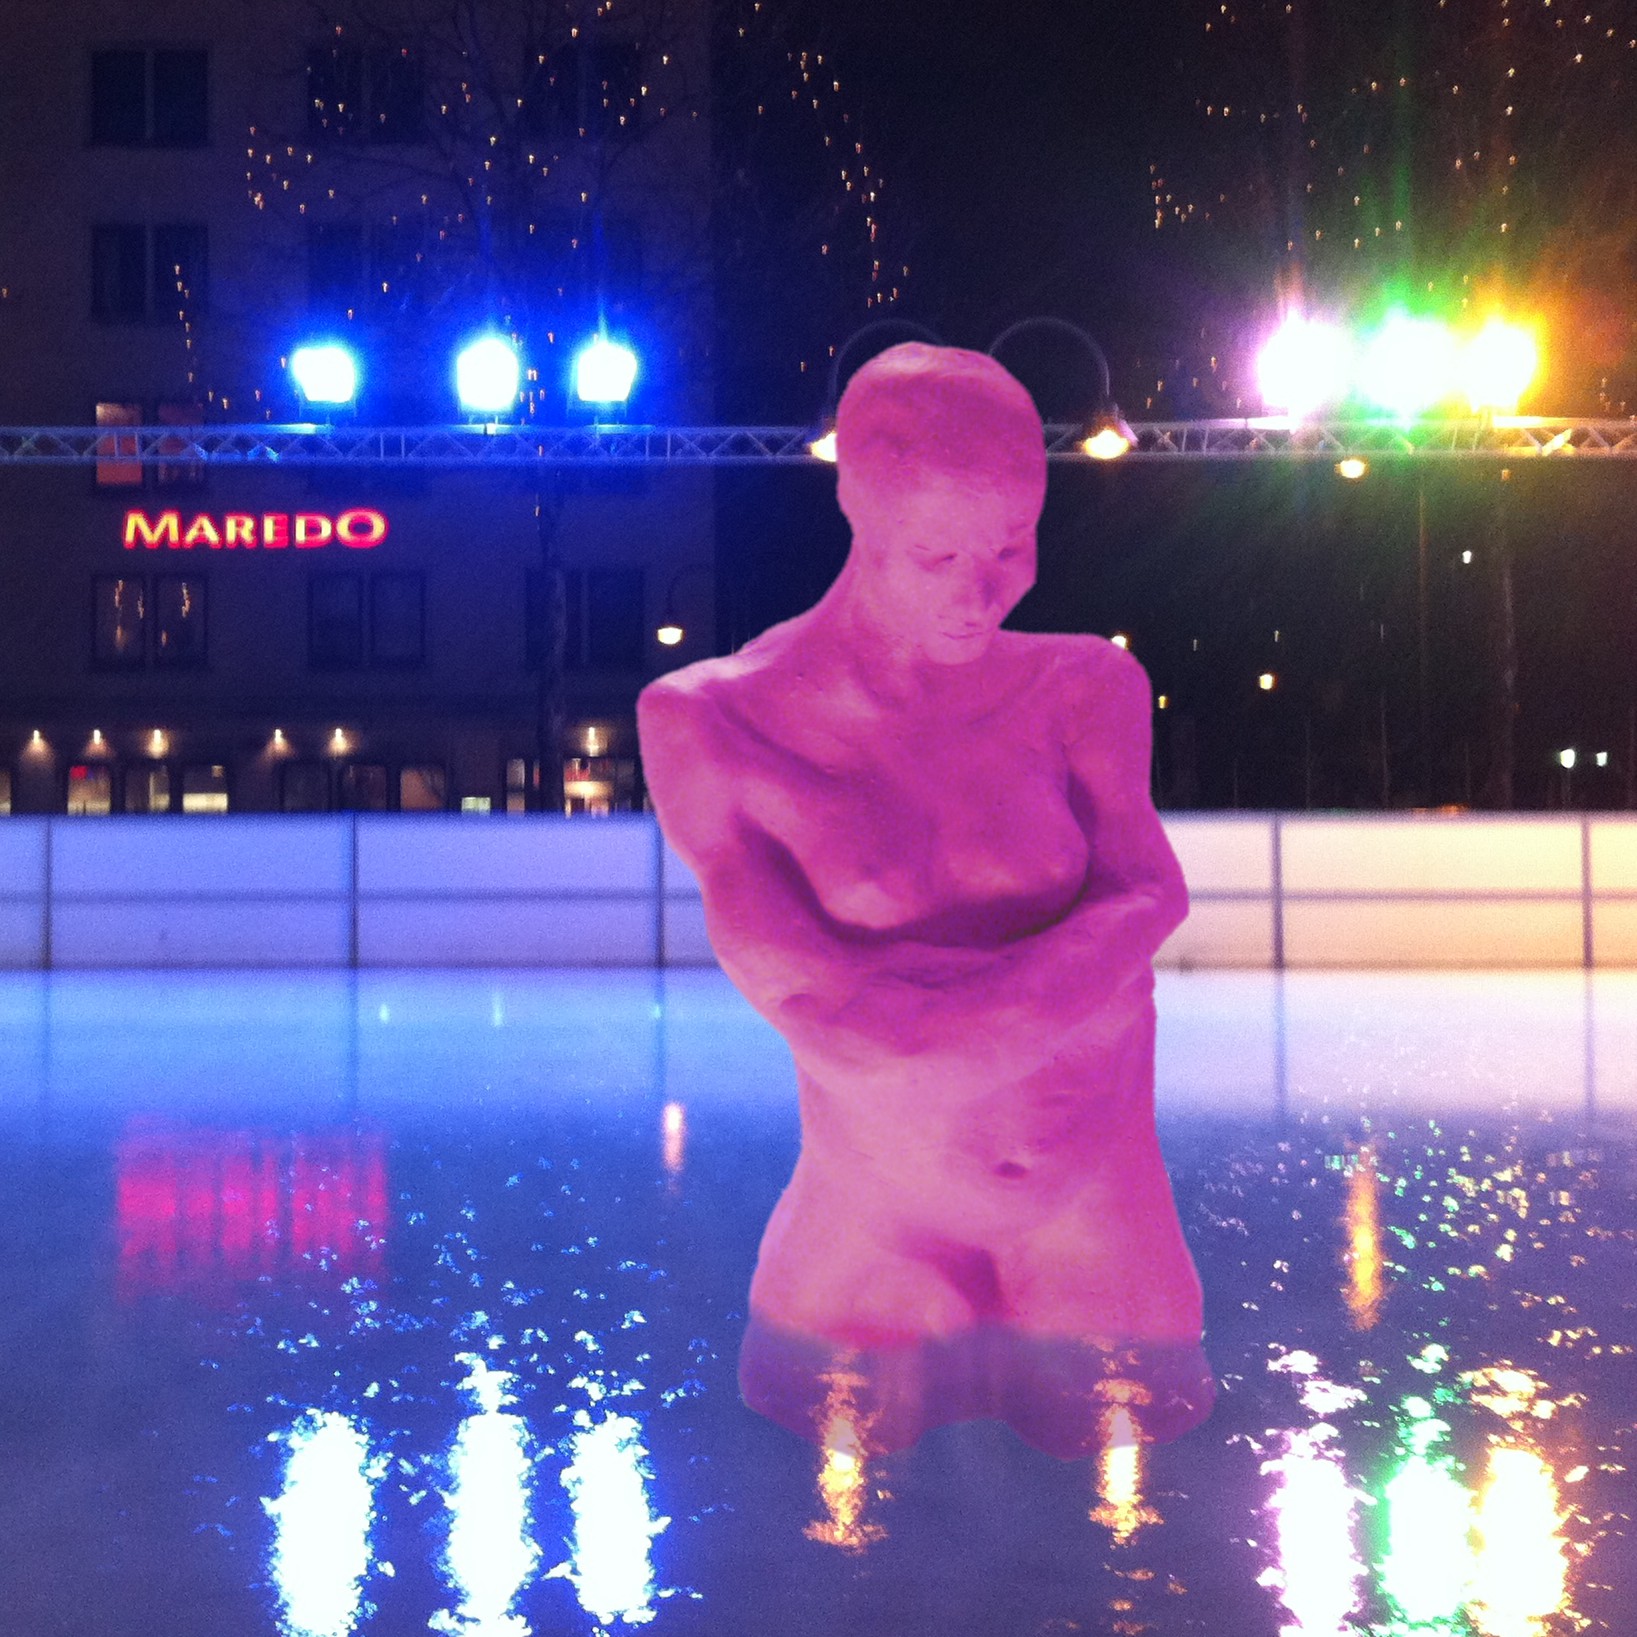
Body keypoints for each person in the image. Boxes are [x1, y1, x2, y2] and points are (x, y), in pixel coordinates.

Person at [637, 342, 1213, 1458]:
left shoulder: (1083, 688)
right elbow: (856, 1033)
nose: (977, 592)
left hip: (1100, 1239)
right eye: (936, 553)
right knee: (837, 1549)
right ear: (857, 509)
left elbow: (1150, 890)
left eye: (1009, 546)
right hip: (866, 1250)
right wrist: (1062, 975)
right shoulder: (714, 726)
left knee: (1143, 1537)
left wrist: (931, 999)